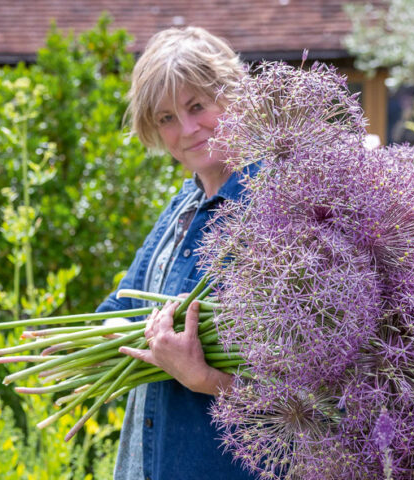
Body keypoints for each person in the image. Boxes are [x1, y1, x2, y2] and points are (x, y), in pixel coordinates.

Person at [95, 27, 257, 480]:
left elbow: (312, 393)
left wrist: (204, 379)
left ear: (234, 99)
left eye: (197, 106)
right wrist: (99, 338)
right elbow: (123, 303)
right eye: (166, 117)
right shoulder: (181, 208)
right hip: (148, 462)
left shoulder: (276, 216)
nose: (186, 129)